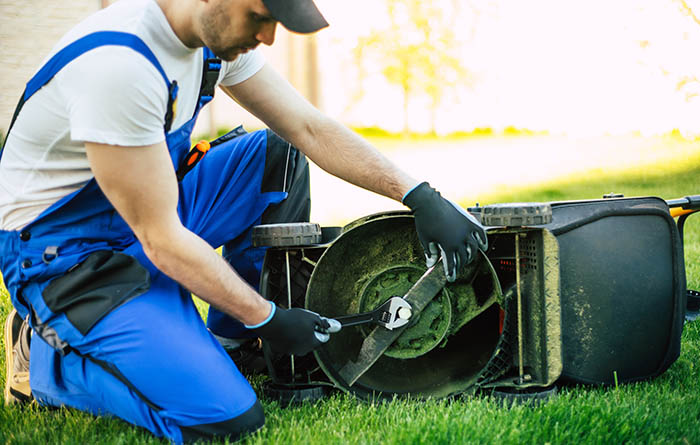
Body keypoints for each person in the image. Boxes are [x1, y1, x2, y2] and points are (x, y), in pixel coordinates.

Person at [0, 0, 488, 442]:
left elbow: (308, 127)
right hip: (68, 259)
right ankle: (42, 358)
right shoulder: (121, 66)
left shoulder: (212, 43)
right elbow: (162, 240)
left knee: (280, 156)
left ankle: (234, 341)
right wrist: (271, 317)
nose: (270, 37)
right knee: (224, 420)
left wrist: (419, 195)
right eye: (261, 17)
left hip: (146, 206)